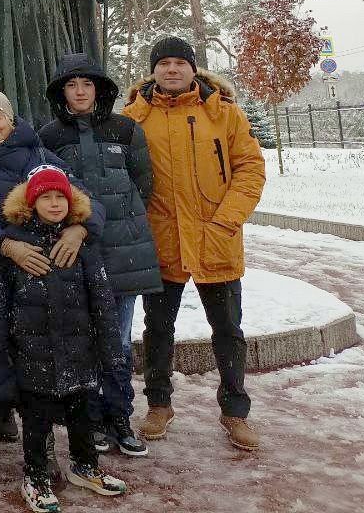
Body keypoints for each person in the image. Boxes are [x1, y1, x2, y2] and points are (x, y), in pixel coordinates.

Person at [0, 87, 104, 479]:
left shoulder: (40, 157)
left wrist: (80, 229)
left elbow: (88, 200)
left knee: (37, 361)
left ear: (10, 118)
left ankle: (43, 445)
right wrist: (5, 245)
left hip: (41, 278)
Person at [123, 36, 265, 451]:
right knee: (157, 329)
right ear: (153, 70)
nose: (171, 69)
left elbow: (250, 168)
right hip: (161, 241)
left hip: (214, 240)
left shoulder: (223, 113)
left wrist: (226, 221)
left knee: (228, 329)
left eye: (179, 63)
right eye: (163, 63)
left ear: (192, 68)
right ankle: (159, 405)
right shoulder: (133, 119)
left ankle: (235, 411)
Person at [0, 166, 128, 512]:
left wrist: (110, 347)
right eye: (45, 197)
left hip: (79, 349)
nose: (54, 204)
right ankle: (35, 475)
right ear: (31, 203)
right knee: (37, 419)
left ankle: (85, 465)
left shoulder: (83, 245)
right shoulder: (15, 244)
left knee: (82, 414)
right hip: (32, 351)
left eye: (60, 197)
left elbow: (102, 299)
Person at [40, 53, 161, 456]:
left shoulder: (126, 129)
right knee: (85, 340)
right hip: (77, 253)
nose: (80, 92)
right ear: (61, 92)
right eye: (71, 85)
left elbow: (144, 183)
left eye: (87, 84)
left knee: (119, 342)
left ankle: (119, 416)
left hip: (124, 252)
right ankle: (90, 419)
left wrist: (121, 219)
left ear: (99, 89)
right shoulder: (49, 137)